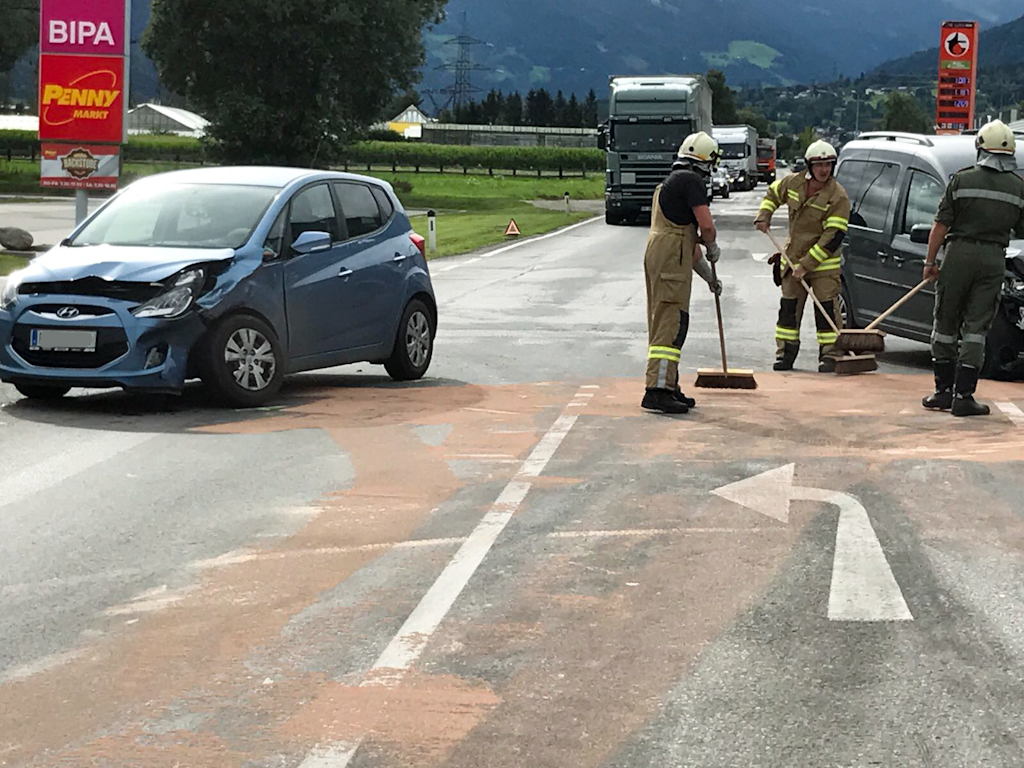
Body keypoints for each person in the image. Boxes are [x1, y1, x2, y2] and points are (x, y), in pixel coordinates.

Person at [922, 119, 1024, 417]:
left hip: (958, 254)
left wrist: (930, 262)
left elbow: (940, 226)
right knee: (977, 328)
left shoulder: (962, 180)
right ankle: (964, 396)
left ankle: (942, 391)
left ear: (980, 148)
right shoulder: (1019, 187)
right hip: (993, 258)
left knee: (946, 321)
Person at [642, 131, 724, 415]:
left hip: (662, 253)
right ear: (705, 162)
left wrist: (709, 277)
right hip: (671, 257)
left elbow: (688, 245)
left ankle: (668, 383)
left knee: (665, 317)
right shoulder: (691, 181)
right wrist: (712, 245)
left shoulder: (670, 182)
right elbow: (706, 227)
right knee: (672, 321)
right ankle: (658, 391)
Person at [754, 140, 851, 372]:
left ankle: (830, 355)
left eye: (828, 164)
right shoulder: (793, 183)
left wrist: (807, 265)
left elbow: (833, 237)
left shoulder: (838, 196)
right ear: (809, 165)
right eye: (819, 165)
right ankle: (785, 354)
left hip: (823, 266)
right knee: (788, 310)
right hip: (792, 260)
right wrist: (764, 215)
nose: (824, 169)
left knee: (826, 310)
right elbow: (773, 193)